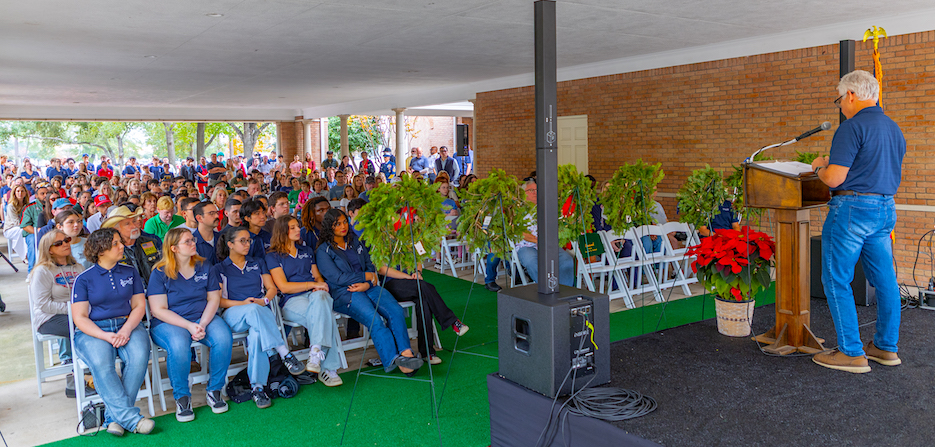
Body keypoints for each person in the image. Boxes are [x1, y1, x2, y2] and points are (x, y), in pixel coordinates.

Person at [810, 70, 906, 374]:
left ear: (851, 94)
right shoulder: (894, 128)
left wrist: (819, 168)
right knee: (886, 281)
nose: (840, 105)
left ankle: (851, 352)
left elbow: (835, 178)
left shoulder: (851, 128)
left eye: (840, 99)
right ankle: (885, 347)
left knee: (836, 278)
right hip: (885, 209)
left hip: (851, 209)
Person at [315, 209, 423, 375]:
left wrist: (366, 282)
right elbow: (337, 278)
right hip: (345, 293)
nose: (343, 226)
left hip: (368, 286)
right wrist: (365, 276)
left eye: (344, 221)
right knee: (374, 319)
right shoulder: (323, 251)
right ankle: (393, 359)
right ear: (330, 227)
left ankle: (406, 353)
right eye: (337, 224)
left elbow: (370, 265)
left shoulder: (355, 241)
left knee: (395, 310)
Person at [71, 228, 155, 436]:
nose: (122, 246)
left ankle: (113, 418)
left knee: (139, 357)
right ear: (101, 250)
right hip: (94, 330)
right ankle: (131, 419)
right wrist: (106, 336)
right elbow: (80, 317)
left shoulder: (130, 272)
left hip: (127, 324)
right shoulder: (84, 279)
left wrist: (126, 330)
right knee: (102, 364)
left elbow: (138, 306)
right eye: (116, 243)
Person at [213, 226, 305, 407]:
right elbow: (219, 302)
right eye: (242, 241)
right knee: (254, 310)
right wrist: (245, 304)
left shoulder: (257, 262)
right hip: (234, 314)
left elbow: (271, 289)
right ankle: (283, 352)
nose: (247, 244)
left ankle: (258, 388)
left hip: (259, 312)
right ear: (230, 244)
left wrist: (264, 300)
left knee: (256, 336)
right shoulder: (220, 268)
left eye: (249, 240)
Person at [147, 228, 233, 421]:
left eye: (192, 240)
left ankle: (215, 390)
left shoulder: (205, 266)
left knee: (223, 337)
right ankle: (182, 397)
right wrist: (188, 326)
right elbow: (158, 309)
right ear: (174, 248)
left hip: (202, 317)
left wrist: (201, 323)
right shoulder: (160, 273)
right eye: (188, 242)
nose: (193, 243)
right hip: (169, 322)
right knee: (178, 346)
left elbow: (213, 299)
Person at [266, 216, 344, 386]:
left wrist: (318, 285)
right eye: (292, 227)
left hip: (314, 296)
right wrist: (312, 284)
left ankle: (316, 351)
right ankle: (328, 369)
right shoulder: (273, 256)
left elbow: (317, 276)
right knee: (326, 317)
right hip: (291, 301)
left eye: (297, 227)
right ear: (282, 231)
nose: (297, 230)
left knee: (322, 297)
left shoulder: (306, 251)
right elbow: (284, 287)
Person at [29, 230, 86, 396]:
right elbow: (42, 304)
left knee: (95, 323)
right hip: (48, 318)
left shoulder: (78, 267)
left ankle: (87, 373)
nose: (65, 244)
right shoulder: (43, 271)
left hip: (75, 313)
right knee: (83, 327)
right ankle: (78, 377)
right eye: (59, 243)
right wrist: (73, 309)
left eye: (66, 240)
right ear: (49, 249)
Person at [515, 180, 576, 287]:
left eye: (537, 190)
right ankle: (546, 289)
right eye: (531, 190)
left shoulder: (546, 208)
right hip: (527, 246)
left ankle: (565, 291)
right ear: (523, 193)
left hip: (548, 245)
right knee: (533, 262)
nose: (535, 192)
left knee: (567, 260)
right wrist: (538, 241)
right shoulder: (518, 210)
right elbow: (520, 232)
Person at [102, 205, 162, 288]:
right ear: (116, 229)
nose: (134, 226)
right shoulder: (110, 250)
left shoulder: (152, 242)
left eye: (134, 221)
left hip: (155, 292)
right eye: (127, 224)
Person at [4, 184, 29, 261]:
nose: (20, 193)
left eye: (22, 191)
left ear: (25, 193)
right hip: (10, 228)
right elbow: (16, 222)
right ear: (14, 193)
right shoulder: (11, 206)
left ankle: (30, 253)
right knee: (22, 231)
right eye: (18, 191)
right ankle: (25, 256)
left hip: (23, 227)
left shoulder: (27, 205)